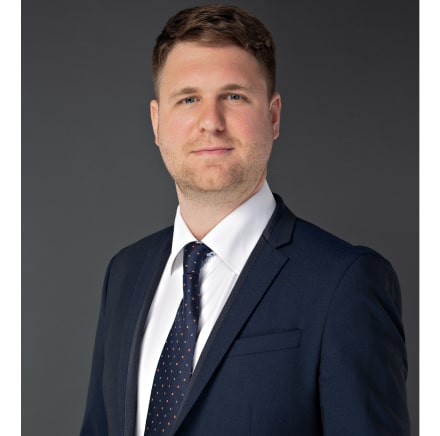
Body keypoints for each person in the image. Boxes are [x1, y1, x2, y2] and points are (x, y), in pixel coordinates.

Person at [80, 5, 410, 435]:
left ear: (273, 116)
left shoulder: (344, 283)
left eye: (234, 96)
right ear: (157, 123)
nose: (210, 122)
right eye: (189, 99)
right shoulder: (125, 273)